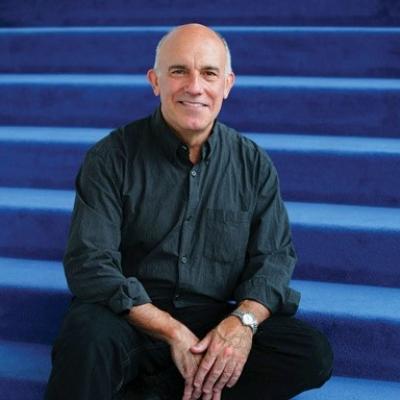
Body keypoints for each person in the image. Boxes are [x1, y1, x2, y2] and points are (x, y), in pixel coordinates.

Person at [45, 23, 333, 400]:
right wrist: (172, 331)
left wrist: (241, 323)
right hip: (130, 316)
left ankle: (160, 390)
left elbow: (274, 259)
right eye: (179, 71)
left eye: (209, 73)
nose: (194, 86)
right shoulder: (111, 157)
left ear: (227, 84)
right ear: (155, 81)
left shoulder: (253, 163)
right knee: (85, 341)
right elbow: (89, 262)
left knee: (310, 354)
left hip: (210, 318)